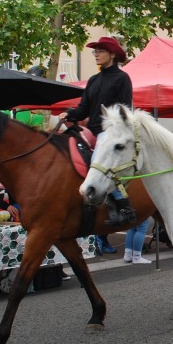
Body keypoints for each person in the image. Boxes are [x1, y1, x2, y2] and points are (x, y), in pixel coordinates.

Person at [59, 36, 135, 252]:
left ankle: (122, 206)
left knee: (99, 162)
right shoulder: (93, 80)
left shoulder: (122, 78)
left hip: (110, 133)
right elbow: (83, 109)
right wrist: (70, 114)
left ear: (112, 54)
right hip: (90, 130)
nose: (96, 54)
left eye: (100, 51)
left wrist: (113, 128)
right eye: (95, 51)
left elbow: (125, 109)